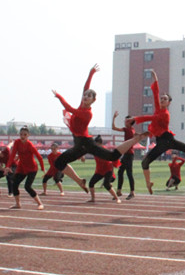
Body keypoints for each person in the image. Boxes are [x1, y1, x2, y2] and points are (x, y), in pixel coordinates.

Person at [53, 64, 144, 192]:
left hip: (86, 143)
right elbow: (85, 88)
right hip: (78, 144)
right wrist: (91, 73)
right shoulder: (82, 104)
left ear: (93, 100)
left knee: (112, 156)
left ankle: (134, 140)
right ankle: (80, 181)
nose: (85, 96)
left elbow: (69, 109)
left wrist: (59, 97)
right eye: (85, 95)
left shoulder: (87, 113)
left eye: (89, 96)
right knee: (58, 163)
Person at [134, 70, 185, 195]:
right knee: (145, 162)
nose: (162, 100)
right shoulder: (157, 109)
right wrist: (155, 79)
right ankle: (148, 183)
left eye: (165, 99)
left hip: (167, 140)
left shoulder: (165, 114)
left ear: (169, 103)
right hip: (161, 141)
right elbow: (155, 93)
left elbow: (153, 119)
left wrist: (136, 119)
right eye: (161, 98)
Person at [4, 126, 45, 210]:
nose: (22, 136)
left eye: (25, 134)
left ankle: (40, 204)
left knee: (27, 186)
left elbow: (39, 157)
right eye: (21, 134)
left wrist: (42, 168)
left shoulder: (30, 145)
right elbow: (12, 155)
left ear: (28, 135)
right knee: (14, 184)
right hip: (22, 167)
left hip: (32, 168)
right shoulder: (17, 142)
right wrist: (7, 166)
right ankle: (17, 204)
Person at [87, 136, 122, 203]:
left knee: (106, 184)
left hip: (108, 169)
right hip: (99, 170)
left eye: (96, 144)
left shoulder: (104, 150)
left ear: (100, 143)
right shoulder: (94, 150)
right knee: (91, 183)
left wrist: (116, 164)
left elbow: (113, 157)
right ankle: (93, 198)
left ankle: (117, 198)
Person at [111, 112, 137, 199]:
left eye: (126, 121)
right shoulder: (132, 130)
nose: (124, 122)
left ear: (130, 122)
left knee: (128, 173)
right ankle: (119, 191)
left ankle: (132, 192)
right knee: (121, 172)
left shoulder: (127, 130)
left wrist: (114, 118)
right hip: (127, 154)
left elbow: (113, 128)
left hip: (128, 154)